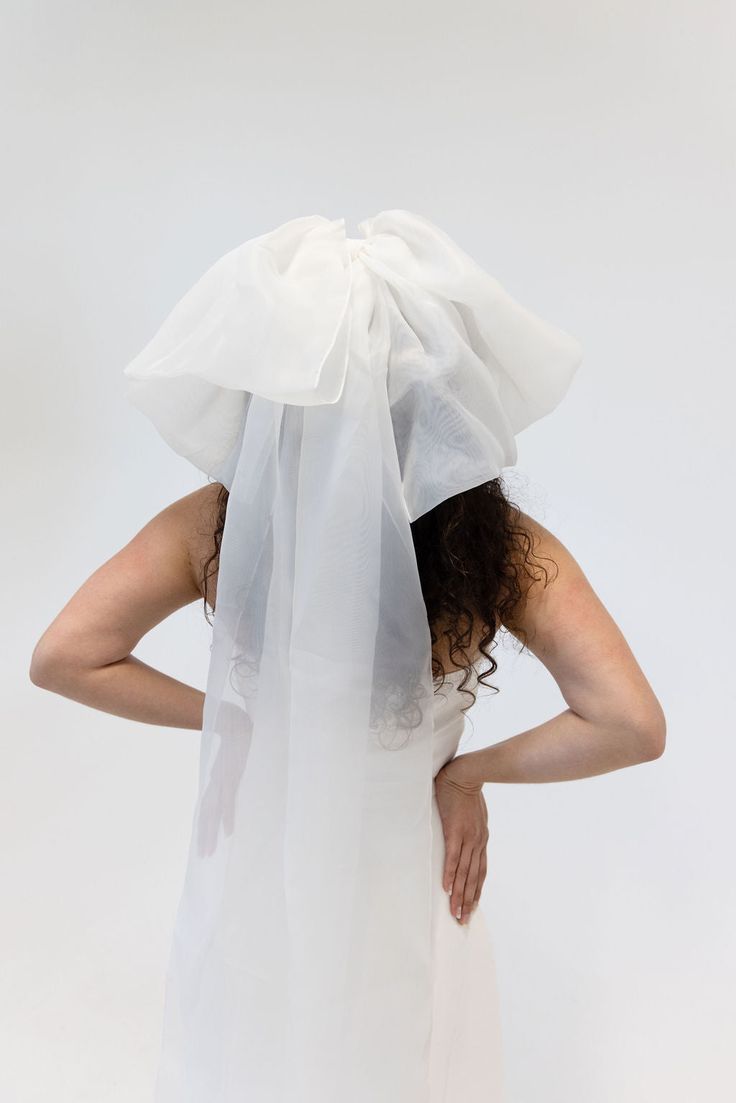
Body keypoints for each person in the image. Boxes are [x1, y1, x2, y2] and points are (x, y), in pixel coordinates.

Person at [29, 210, 665, 1102]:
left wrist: (236, 715)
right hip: (411, 872)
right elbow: (629, 722)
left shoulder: (217, 524)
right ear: (446, 400)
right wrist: (462, 774)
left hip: (260, 862)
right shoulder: (502, 546)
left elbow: (65, 655)